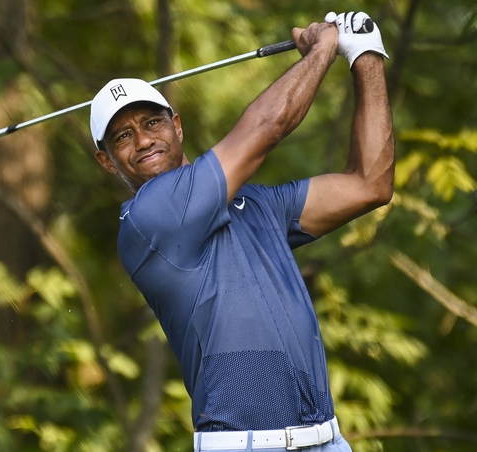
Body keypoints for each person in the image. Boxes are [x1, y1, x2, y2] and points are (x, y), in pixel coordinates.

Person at [89, 11, 393, 452]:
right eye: (122, 136)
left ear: (176, 125)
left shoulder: (257, 206)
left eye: (152, 122)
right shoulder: (148, 217)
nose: (143, 141)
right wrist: (324, 50)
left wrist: (366, 55)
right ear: (106, 161)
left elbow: (371, 184)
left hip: (327, 439)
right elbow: (266, 128)